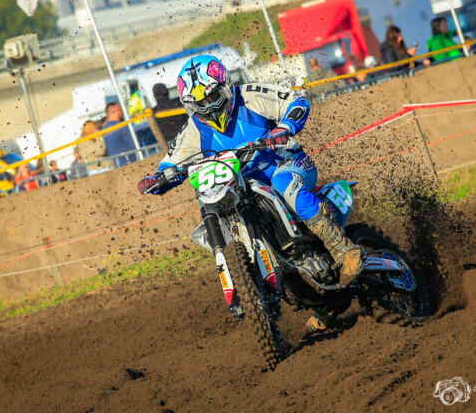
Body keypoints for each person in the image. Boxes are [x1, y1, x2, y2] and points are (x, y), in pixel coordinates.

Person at [137, 55, 362, 330]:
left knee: (285, 185)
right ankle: (320, 303)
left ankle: (345, 250)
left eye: (212, 97)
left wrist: (284, 128)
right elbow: (172, 161)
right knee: (245, 228)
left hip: (285, 164)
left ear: (224, 87)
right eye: (200, 103)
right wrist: (158, 178)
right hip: (244, 187)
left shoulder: (250, 96)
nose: (208, 106)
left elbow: (296, 101)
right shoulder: (195, 128)